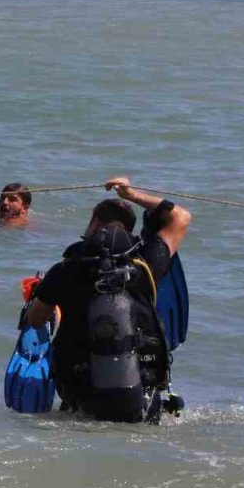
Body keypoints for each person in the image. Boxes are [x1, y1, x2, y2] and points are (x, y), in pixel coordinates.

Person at [26, 177, 191, 423]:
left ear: (94, 223)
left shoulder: (65, 269)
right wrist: (131, 194)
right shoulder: (146, 265)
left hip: (82, 395)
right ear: (129, 230)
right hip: (140, 394)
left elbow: (35, 319)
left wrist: (45, 300)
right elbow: (181, 217)